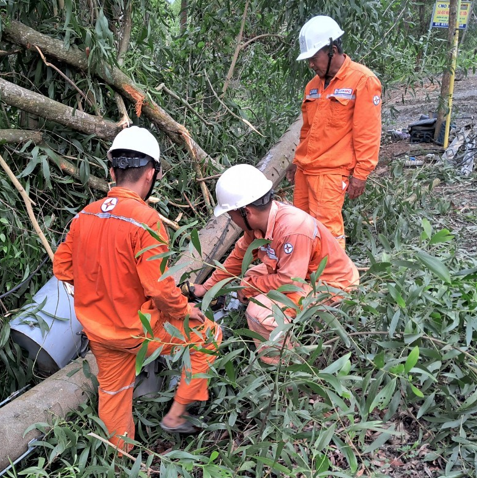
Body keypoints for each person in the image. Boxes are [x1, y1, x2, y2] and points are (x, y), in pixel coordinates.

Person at [53, 126, 222, 451]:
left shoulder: (83, 216)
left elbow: (62, 268)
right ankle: (177, 414)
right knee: (209, 337)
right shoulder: (146, 221)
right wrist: (184, 309)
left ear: (113, 171)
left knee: (113, 396)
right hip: (140, 331)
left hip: (99, 333)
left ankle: (120, 460)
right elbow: (159, 289)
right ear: (151, 173)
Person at [189, 164, 359, 364]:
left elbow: (290, 282)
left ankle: (286, 365)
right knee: (251, 273)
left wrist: (250, 287)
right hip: (299, 272)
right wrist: (207, 288)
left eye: (231, 214)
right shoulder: (259, 224)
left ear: (246, 212)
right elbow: (237, 259)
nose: (231, 219)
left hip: (330, 284)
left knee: (259, 312)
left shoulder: (292, 228)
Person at [286, 15, 382, 249]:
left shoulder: (363, 80)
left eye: (314, 58)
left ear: (333, 50)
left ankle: (333, 280)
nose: (311, 64)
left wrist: (361, 173)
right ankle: (305, 272)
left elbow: (368, 132)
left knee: (326, 230)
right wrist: (297, 161)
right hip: (306, 169)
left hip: (330, 171)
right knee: (301, 225)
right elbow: (307, 130)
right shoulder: (313, 86)